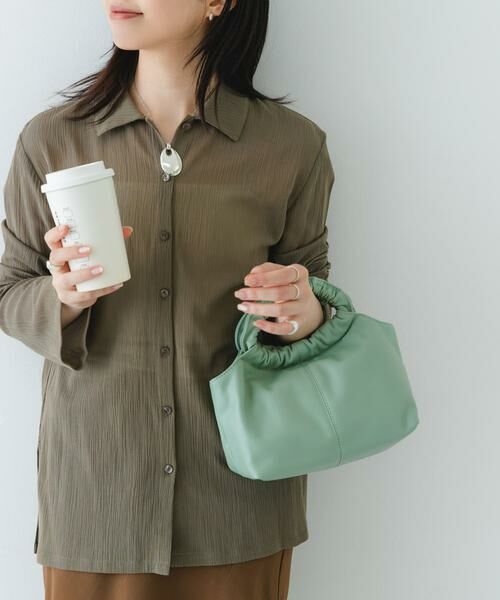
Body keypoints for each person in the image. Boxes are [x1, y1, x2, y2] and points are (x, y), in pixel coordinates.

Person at [0, 1, 335, 598]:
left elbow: (315, 296)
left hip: (239, 502)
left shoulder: (293, 146)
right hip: (99, 503)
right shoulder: (51, 139)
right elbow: (11, 289)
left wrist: (303, 311)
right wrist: (64, 297)